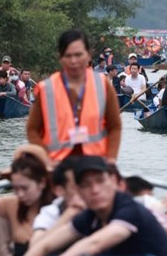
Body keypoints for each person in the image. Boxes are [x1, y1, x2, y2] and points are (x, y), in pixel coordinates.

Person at [24, 156, 167, 256]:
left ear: (112, 181)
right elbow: (44, 245)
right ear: (78, 190)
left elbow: (94, 244)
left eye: (100, 181)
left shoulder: (130, 210)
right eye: (86, 184)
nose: (95, 190)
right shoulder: (89, 216)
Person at [26, 29, 122, 163]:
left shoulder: (102, 84)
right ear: (60, 57)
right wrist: (45, 160)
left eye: (78, 55)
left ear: (88, 55)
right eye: (68, 55)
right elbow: (32, 129)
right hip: (57, 165)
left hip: (95, 165)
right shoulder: (46, 88)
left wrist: (111, 160)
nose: (73, 61)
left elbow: (115, 126)